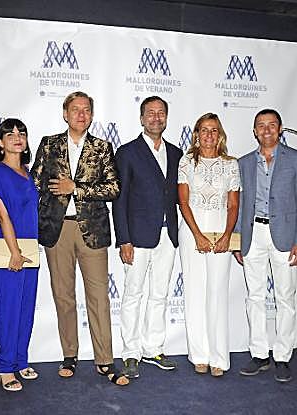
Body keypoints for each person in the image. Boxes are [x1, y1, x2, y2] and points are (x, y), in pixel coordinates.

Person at [30, 91, 128, 386]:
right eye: (75, 109)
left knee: (98, 297)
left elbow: (114, 188)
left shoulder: (102, 147)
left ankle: (105, 360)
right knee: (63, 296)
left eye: (86, 110)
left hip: (93, 231)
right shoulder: (49, 144)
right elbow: (35, 183)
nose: (81, 114)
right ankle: (69, 356)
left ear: (92, 115)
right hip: (57, 230)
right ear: (65, 113)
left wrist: (77, 188)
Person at [234, 108, 297, 383]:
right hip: (253, 235)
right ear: (255, 131)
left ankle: (282, 356)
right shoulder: (244, 162)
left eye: (271, 125)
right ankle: (259, 354)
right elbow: (239, 204)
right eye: (261, 125)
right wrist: (237, 239)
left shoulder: (296, 159)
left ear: (279, 129)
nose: (266, 130)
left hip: (285, 237)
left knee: (285, 298)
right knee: (254, 297)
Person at [112, 96, 183, 378]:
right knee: (133, 294)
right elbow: (120, 200)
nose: (156, 118)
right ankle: (131, 352)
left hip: (168, 235)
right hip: (137, 236)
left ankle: (153, 348)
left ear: (166, 118)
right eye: (150, 113)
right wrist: (124, 239)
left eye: (161, 113)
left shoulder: (176, 153)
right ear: (142, 119)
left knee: (160, 294)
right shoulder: (127, 152)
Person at [178, 113, 240, 377]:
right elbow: (183, 202)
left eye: (214, 130)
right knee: (195, 292)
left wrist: (227, 235)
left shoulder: (231, 164)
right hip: (192, 231)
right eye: (204, 130)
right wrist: (197, 235)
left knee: (217, 292)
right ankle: (199, 355)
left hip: (220, 230)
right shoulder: (186, 162)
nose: (209, 135)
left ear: (220, 135)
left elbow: (233, 204)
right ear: (197, 134)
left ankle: (219, 357)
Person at [0, 119, 39, 392]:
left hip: (30, 248)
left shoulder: (28, 173)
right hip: (9, 250)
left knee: (26, 307)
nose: (17, 137)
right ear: (0, 143)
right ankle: (5, 366)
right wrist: (15, 252)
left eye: (22, 133)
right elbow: (2, 215)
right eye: (10, 134)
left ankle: (20, 360)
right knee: (9, 307)